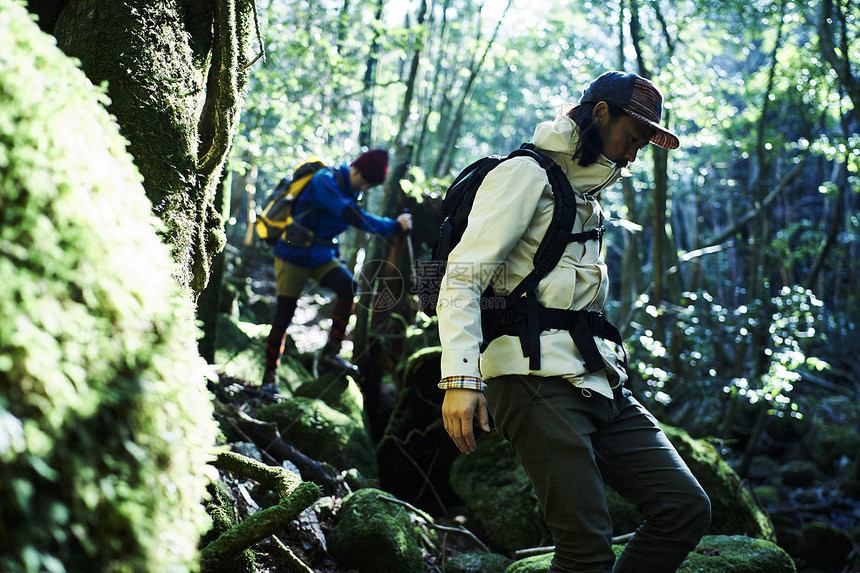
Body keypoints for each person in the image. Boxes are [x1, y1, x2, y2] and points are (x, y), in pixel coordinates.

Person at [437, 71, 711, 573]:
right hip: (530, 380)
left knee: (684, 508)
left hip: (596, 377)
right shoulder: (526, 174)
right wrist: (460, 379)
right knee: (584, 552)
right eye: (632, 137)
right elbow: (461, 279)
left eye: (643, 143)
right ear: (600, 114)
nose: (633, 154)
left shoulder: (586, 191)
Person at [262, 148, 413, 390]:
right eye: (363, 180)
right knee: (284, 315)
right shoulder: (325, 180)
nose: (363, 187)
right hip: (292, 254)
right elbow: (351, 216)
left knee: (348, 285)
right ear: (354, 168)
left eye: (369, 185)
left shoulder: (352, 191)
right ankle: (269, 377)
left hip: (322, 256)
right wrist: (392, 226)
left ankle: (330, 354)